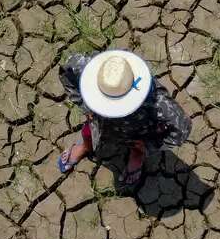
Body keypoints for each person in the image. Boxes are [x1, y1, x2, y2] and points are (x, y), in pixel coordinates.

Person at [56, 49, 191, 188]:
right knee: (88, 132)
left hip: (135, 131)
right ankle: (86, 146)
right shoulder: (90, 69)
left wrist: (149, 146)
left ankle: (137, 154)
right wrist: (86, 107)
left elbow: (182, 128)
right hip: (97, 122)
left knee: (136, 145)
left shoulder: (156, 102)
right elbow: (66, 72)